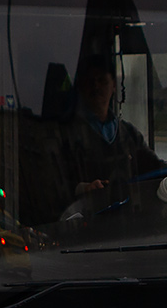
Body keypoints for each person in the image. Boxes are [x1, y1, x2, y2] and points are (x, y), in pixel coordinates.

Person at [58, 55, 159, 205]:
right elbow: (59, 184)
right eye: (90, 82)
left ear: (113, 86)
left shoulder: (129, 133)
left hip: (128, 212)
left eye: (102, 81)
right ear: (80, 87)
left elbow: (156, 166)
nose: (96, 87)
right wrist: (84, 188)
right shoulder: (67, 134)